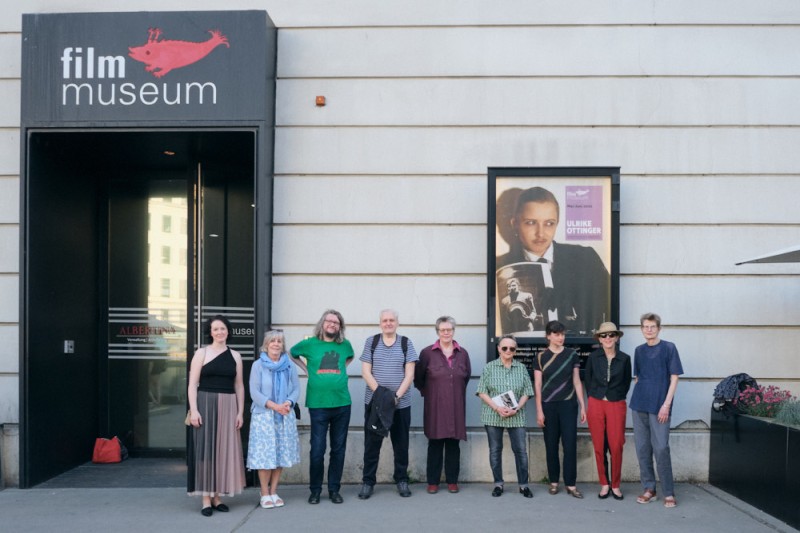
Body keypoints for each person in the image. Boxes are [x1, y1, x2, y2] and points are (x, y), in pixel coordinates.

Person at [496, 186, 610, 335]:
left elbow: (607, 309)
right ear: (515, 223)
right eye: (531, 223)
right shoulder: (500, 267)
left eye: (549, 223)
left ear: (557, 222)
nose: (540, 233)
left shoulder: (586, 258)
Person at [290, 310, 354, 505]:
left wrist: (339, 373)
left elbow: (348, 359)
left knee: (338, 449)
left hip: (342, 403)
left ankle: (334, 489)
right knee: (317, 449)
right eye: (329, 321)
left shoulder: (345, 345)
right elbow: (292, 353)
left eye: (336, 322)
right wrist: (306, 370)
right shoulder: (309, 344)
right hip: (318, 405)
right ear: (322, 323)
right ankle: (315, 491)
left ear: (340, 327)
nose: (332, 324)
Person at [187, 315, 246, 516]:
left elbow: (239, 385)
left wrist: (240, 412)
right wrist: (194, 410)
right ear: (210, 332)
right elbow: (192, 384)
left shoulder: (236, 356)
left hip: (229, 405)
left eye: (223, 328)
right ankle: (206, 498)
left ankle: (217, 497)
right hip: (205, 403)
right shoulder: (201, 353)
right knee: (206, 451)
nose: (220, 332)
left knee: (222, 451)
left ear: (228, 331)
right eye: (215, 329)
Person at [358, 309, 419, 500]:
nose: (388, 323)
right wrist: (383, 396)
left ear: (397, 323)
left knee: (401, 445)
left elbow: (410, 374)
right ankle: (368, 482)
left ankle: (401, 479)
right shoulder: (372, 342)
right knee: (371, 446)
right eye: (385, 320)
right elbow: (366, 372)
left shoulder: (405, 342)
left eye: (391, 320)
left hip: (401, 405)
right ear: (380, 323)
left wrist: (395, 397)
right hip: (375, 405)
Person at [629, 313, 683, 509]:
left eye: (652, 326)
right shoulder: (639, 350)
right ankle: (649, 489)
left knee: (661, 448)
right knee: (643, 448)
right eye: (645, 326)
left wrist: (666, 405)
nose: (648, 330)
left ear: (659, 328)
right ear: (641, 329)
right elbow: (638, 378)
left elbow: (674, 377)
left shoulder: (669, 348)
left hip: (660, 406)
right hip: (639, 404)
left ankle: (668, 492)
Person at [414, 316, 472, 494]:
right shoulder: (427, 353)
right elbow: (418, 379)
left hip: (456, 406)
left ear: (454, 331)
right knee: (435, 444)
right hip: (435, 407)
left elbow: (466, 377)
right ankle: (433, 482)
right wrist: (432, 395)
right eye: (442, 330)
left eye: (449, 330)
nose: (446, 333)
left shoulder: (463, 353)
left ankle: (452, 481)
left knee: (454, 445)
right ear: (437, 332)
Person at [248, 329, 301, 509]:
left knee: (280, 455)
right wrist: (274, 405)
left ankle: (274, 491)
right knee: (265, 456)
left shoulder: (289, 365)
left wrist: (288, 402)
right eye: (273, 341)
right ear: (266, 344)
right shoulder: (258, 365)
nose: (276, 344)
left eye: (279, 341)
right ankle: (264, 492)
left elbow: (295, 388)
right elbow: (254, 392)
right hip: (264, 416)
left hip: (284, 415)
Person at [476, 334, 534, 498]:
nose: (508, 351)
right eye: (505, 348)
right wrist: (497, 408)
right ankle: (498, 484)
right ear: (498, 349)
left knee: (521, 451)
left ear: (515, 350)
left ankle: (523, 485)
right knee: (495, 450)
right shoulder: (489, 367)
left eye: (512, 348)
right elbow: (482, 391)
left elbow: (527, 392)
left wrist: (516, 408)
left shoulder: (521, 368)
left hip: (516, 416)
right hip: (493, 416)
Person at [534, 320, 587, 498]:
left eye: (562, 334)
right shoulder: (540, 357)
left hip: (568, 404)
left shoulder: (572, 354)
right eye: (557, 334)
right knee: (551, 445)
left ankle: (571, 484)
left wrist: (582, 405)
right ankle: (554, 482)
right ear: (548, 336)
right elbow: (538, 384)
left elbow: (577, 381)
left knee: (570, 445)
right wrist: (539, 410)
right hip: (548, 405)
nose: (560, 337)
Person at [584, 322, 631, 500]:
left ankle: (616, 485)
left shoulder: (625, 358)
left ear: (617, 337)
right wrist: (595, 396)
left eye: (611, 335)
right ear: (599, 339)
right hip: (596, 403)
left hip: (616, 404)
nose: (608, 338)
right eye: (604, 335)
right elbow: (588, 379)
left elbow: (626, 382)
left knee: (616, 444)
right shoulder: (593, 357)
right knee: (599, 445)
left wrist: (615, 396)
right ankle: (604, 484)